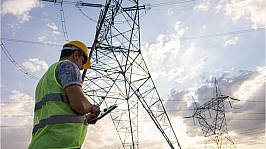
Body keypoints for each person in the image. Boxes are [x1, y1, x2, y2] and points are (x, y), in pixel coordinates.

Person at [28, 40, 101, 149]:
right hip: (59, 144)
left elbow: (58, 111)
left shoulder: (46, 78)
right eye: (82, 62)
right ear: (76, 55)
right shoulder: (68, 66)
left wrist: (85, 119)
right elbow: (79, 105)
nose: (81, 68)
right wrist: (92, 107)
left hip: (43, 143)